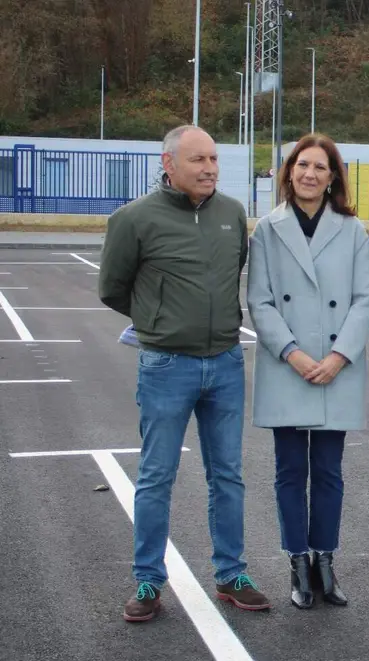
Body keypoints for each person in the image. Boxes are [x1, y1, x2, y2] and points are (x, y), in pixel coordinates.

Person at [99, 125, 270, 622]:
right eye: (198, 160)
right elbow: (113, 288)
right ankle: (149, 581)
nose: (210, 168)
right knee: (155, 476)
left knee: (228, 476)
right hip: (165, 366)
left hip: (225, 362)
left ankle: (231, 573)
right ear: (169, 163)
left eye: (214, 159)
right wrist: (157, 321)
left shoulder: (232, 215)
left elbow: (236, 269)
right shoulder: (133, 219)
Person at [246, 134, 369, 610]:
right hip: (289, 366)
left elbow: (365, 299)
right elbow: (258, 300)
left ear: (332, 177)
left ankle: (325, 561)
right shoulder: (267, 229)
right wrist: (293, 354)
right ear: (289, 172)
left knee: (328, 473)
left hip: (335, 367)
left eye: (320, 167)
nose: (310, 174)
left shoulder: (351, 228)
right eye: (302, 165)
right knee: (288, 472)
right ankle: (298, 563)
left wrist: (339, 356)